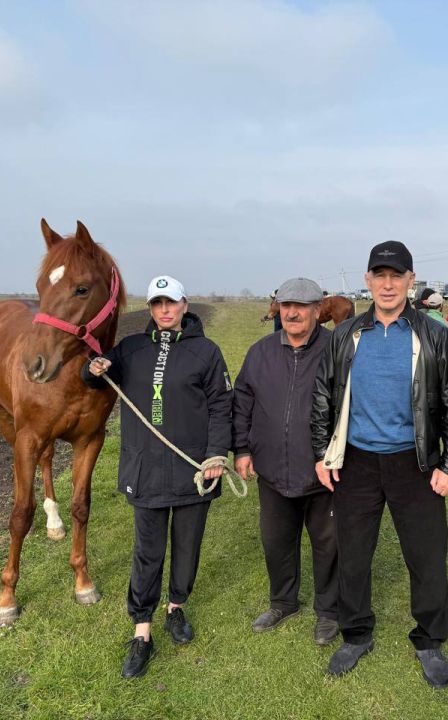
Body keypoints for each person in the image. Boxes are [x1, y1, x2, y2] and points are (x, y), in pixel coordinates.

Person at [311, 240, 448, 689]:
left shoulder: (435, 334)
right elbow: (324, 396)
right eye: (378, 275)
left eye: (395, 276)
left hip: (415, 462)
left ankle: (430, 638)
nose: (386, 283)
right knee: (353, 553)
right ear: (366, 281)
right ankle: (356, 632)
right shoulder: (346, 334)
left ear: (410, 281)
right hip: (357, 461)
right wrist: (323, 453)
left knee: (427, 556)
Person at [83, 275, 233, 679]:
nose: (164, 310)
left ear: (185, 305)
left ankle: (176, 608)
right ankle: (142, 630)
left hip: (194, 471)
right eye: (157, 304)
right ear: (150, 309)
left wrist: (216, 454)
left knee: (187, 546)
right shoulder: (130, 349)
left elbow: (222, 405)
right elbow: (92, 375)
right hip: (145, 470)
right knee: (147, 551)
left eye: (172, 303)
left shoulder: (206, 352)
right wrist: (92, 366)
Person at [232, 277, 339, 645]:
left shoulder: (336, 349)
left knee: (329, 543)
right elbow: (242, 401)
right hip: (272, 469)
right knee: (276, 539)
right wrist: (243, 450)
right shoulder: (260, 352)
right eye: (286, 305)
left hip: (323, 471)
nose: (292, 312)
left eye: (301, 305)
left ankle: (328, 610)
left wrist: (336, 455)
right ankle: (283, 601)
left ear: (317, 310)